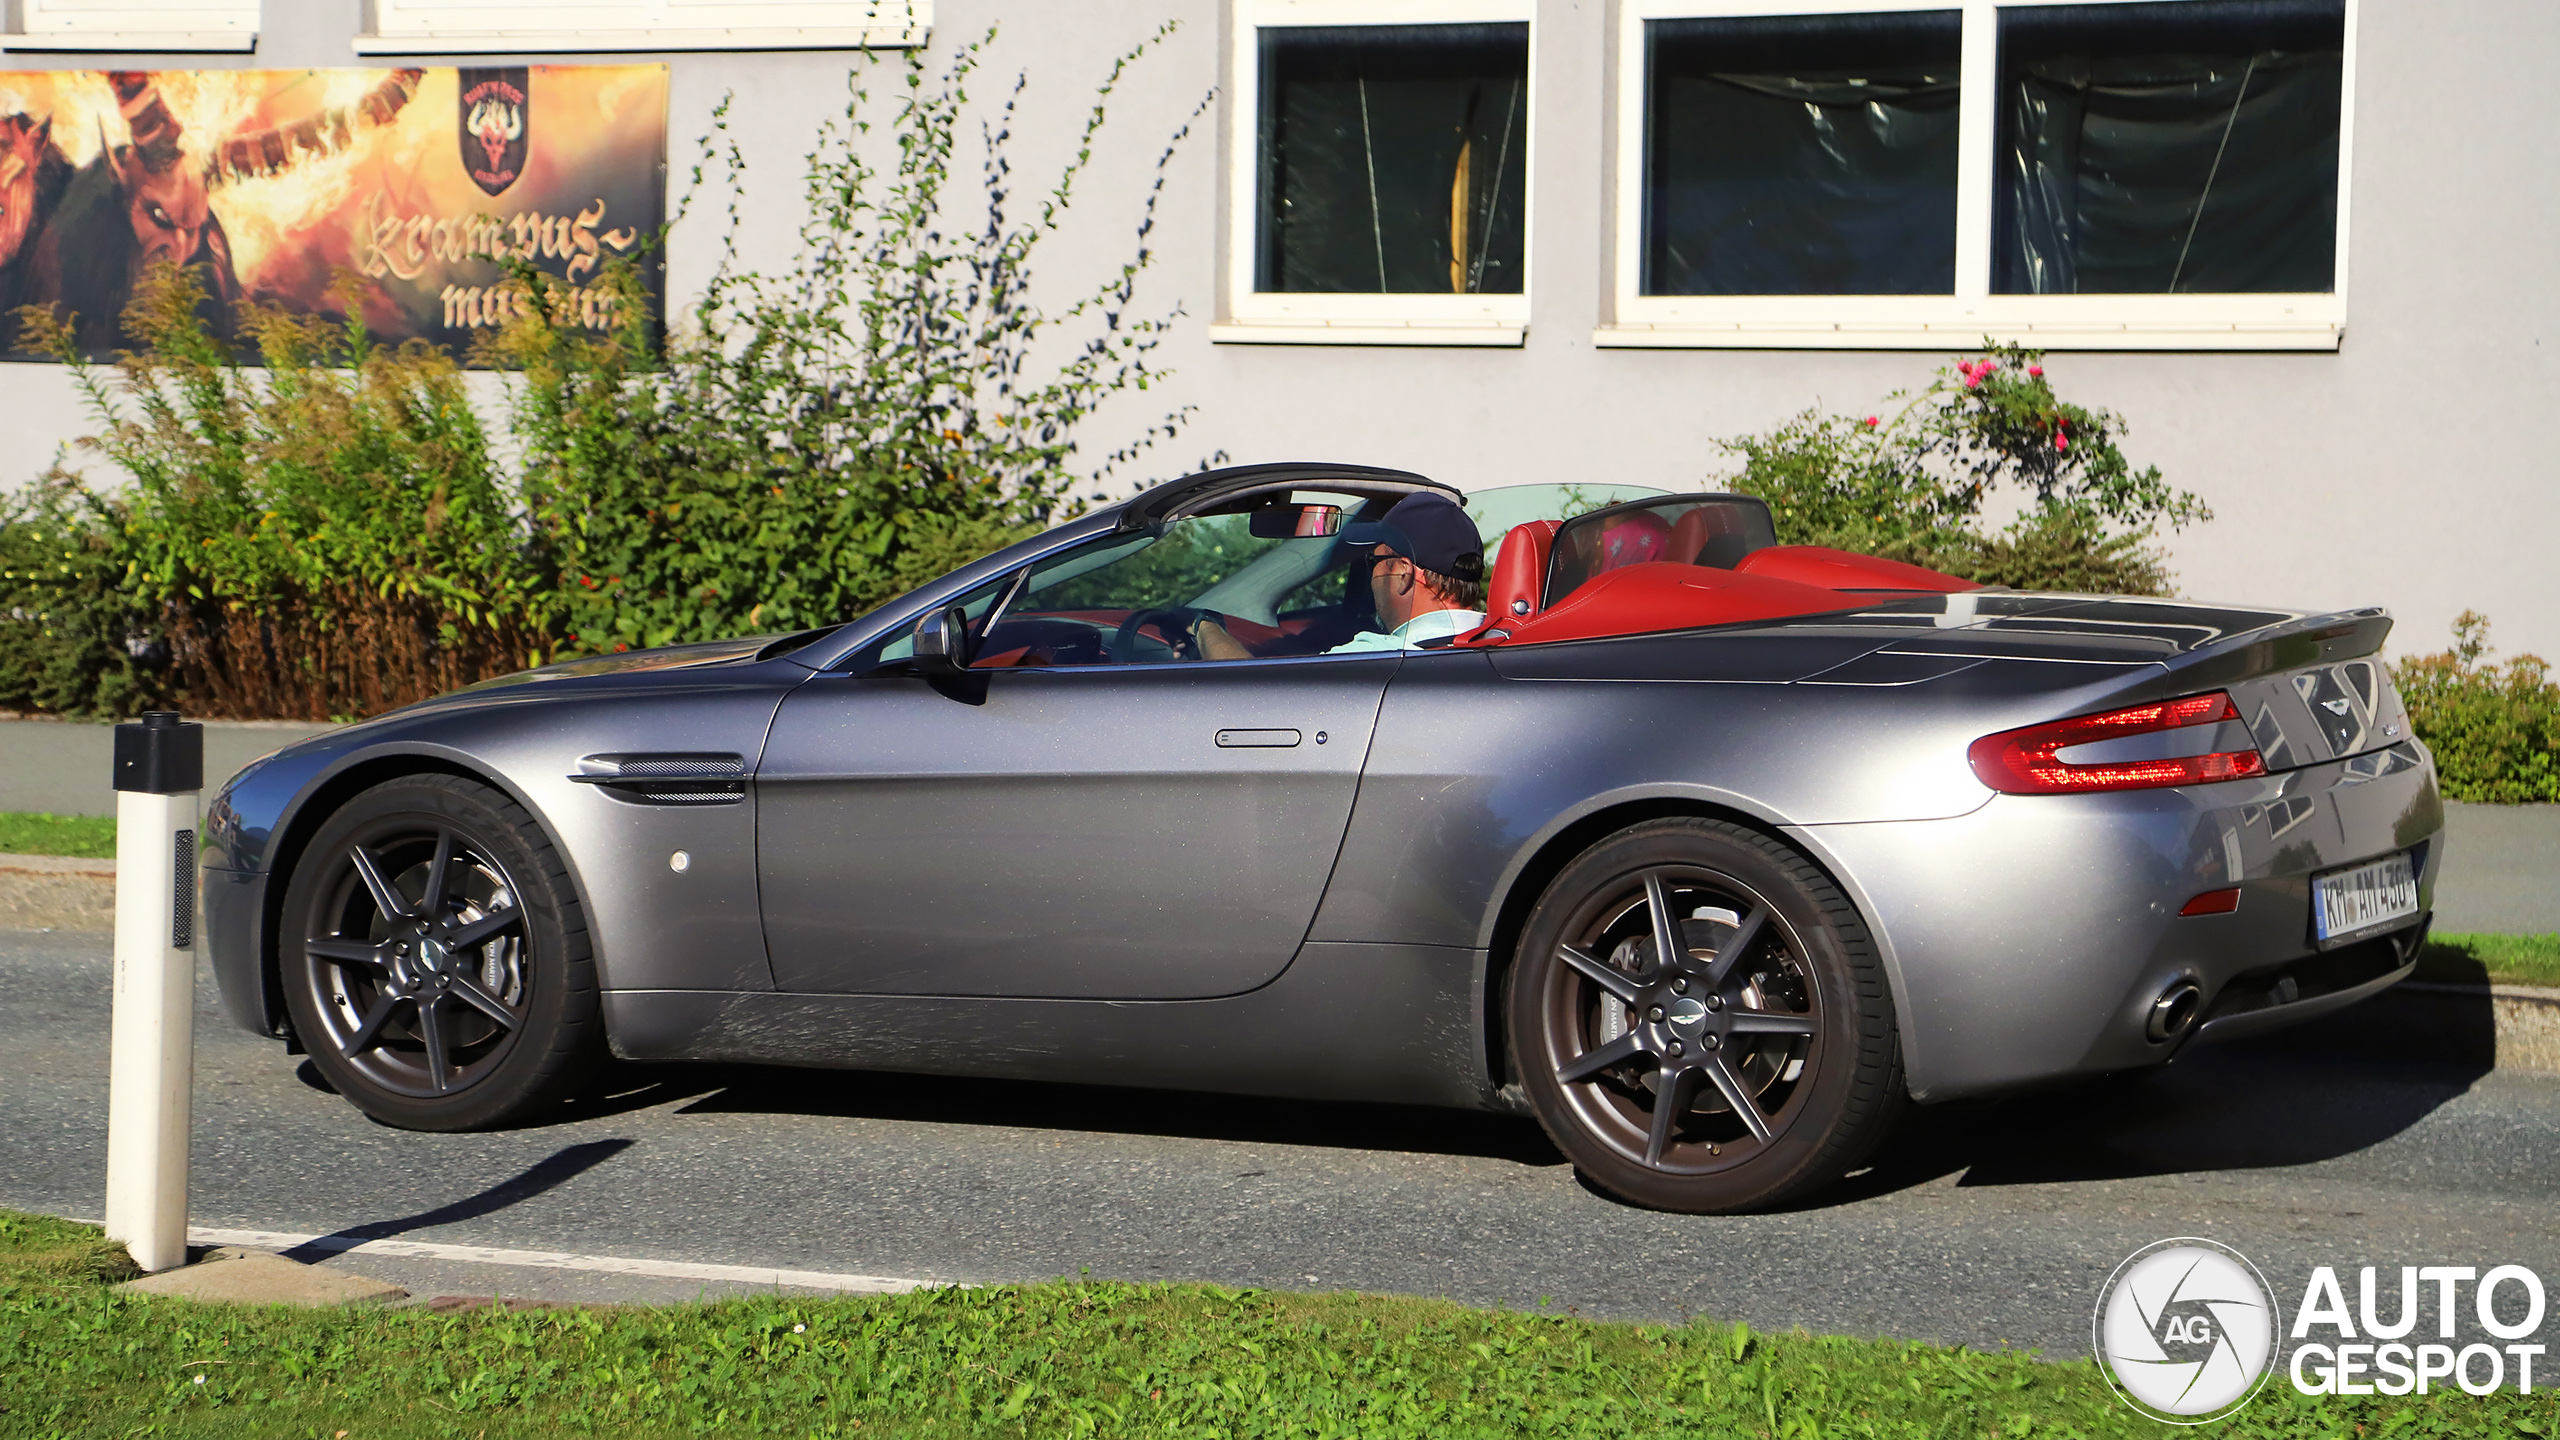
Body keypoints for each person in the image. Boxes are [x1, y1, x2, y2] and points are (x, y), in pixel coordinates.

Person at [1191, 492, 1487, 660]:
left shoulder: (1369, 658)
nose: (1370, 573)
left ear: (1403, 573)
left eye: (1375, 560)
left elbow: (1252, 699)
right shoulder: (1509, 642)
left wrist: (1203, 626)